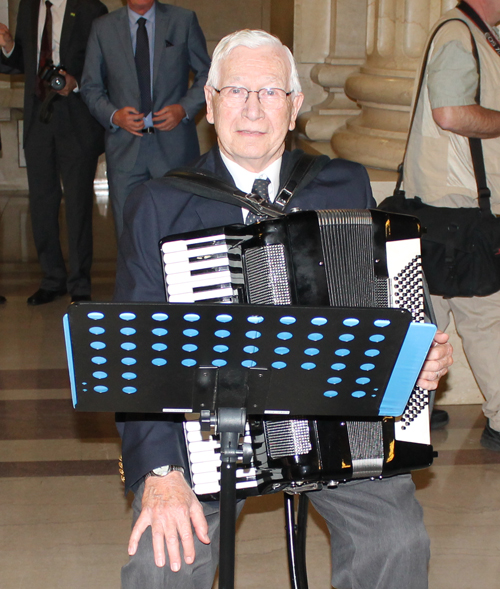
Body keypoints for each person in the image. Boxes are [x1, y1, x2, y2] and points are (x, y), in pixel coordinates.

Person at [114, 30, 454, 589]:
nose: (252, 108)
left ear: (295, 108)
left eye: (271, 92)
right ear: (210, 102)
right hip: (208, 439)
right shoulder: (159, 204)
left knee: (396, 540)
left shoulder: (342, 183)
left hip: (336, 428)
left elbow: (384, 304)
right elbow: (141, 357)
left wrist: (417, 357)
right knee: (161, 563)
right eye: (237, 91)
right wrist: (161, 472)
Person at [403, 0, 500, 451]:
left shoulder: (468, 32)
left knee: (428, 310)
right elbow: (450, 112)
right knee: (485, 316)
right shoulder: (459, 34)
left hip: (443, 208)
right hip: (459, 208)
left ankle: (413, 404)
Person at [0, 0, 107, 305]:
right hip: (39, 119)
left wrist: (75, 83)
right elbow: (22, 61)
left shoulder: (91, 10)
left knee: (77, 205)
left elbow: (102, 64)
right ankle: (52, 278)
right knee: (42, 203)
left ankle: (80, 283)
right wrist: (8, 45)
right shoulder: (30, 7)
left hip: (75, 118)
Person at [80, 0, 211, 239]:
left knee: (180, 231)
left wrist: (183, 109)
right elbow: (90, 87)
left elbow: (208, 75)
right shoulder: (103, 28)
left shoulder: (183, 21)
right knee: (129, 234)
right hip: (125, 150)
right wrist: (114, 115)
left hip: (175, 149)